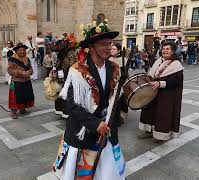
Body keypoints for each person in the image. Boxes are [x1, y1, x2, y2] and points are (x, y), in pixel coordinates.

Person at [52, 19, 126, 180]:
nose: (109, 48)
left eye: (110, 43)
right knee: (81, 174)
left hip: (107, 129)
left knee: (106, 173)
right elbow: (72, 105)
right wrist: (95, 124)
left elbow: (116, 100)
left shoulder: (115, 68)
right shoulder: (76, 71)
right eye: (104, 44)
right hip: (83, 131)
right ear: (91, 47)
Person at [139, 41, 184, 142]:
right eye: (163, 49)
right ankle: (149, 131)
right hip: (153, 91)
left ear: (173, 51)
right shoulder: (158, 61)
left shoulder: (176, 64)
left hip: (166, 94)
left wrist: (160, 84)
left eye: (168, 49)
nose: (165, 50)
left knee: (162, 115)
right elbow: (151, 74)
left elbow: (176, 81)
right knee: (149, 111)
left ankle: (161, 135)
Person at [8, 43, 35, 119]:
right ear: (16, 51)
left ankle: (22, 108)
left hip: (26, 80)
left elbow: (30, 67)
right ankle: (13, 112)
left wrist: (30, 71)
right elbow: (10, 70)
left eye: (23, 50)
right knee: (15, 97)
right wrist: (21, 73)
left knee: (25, 95)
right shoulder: (12, 59)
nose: (22, 51)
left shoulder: (27, 58)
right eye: (20, 50)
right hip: (17, 81)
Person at [109, 42, 128, 124]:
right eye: (111, 49)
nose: (111, 50)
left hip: (120, 83)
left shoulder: (123, 60)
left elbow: (125, 74)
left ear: (119, 51)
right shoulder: (108, 59)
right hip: (110, 83)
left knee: (119, 101)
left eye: (114, 49)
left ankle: (118, 118)